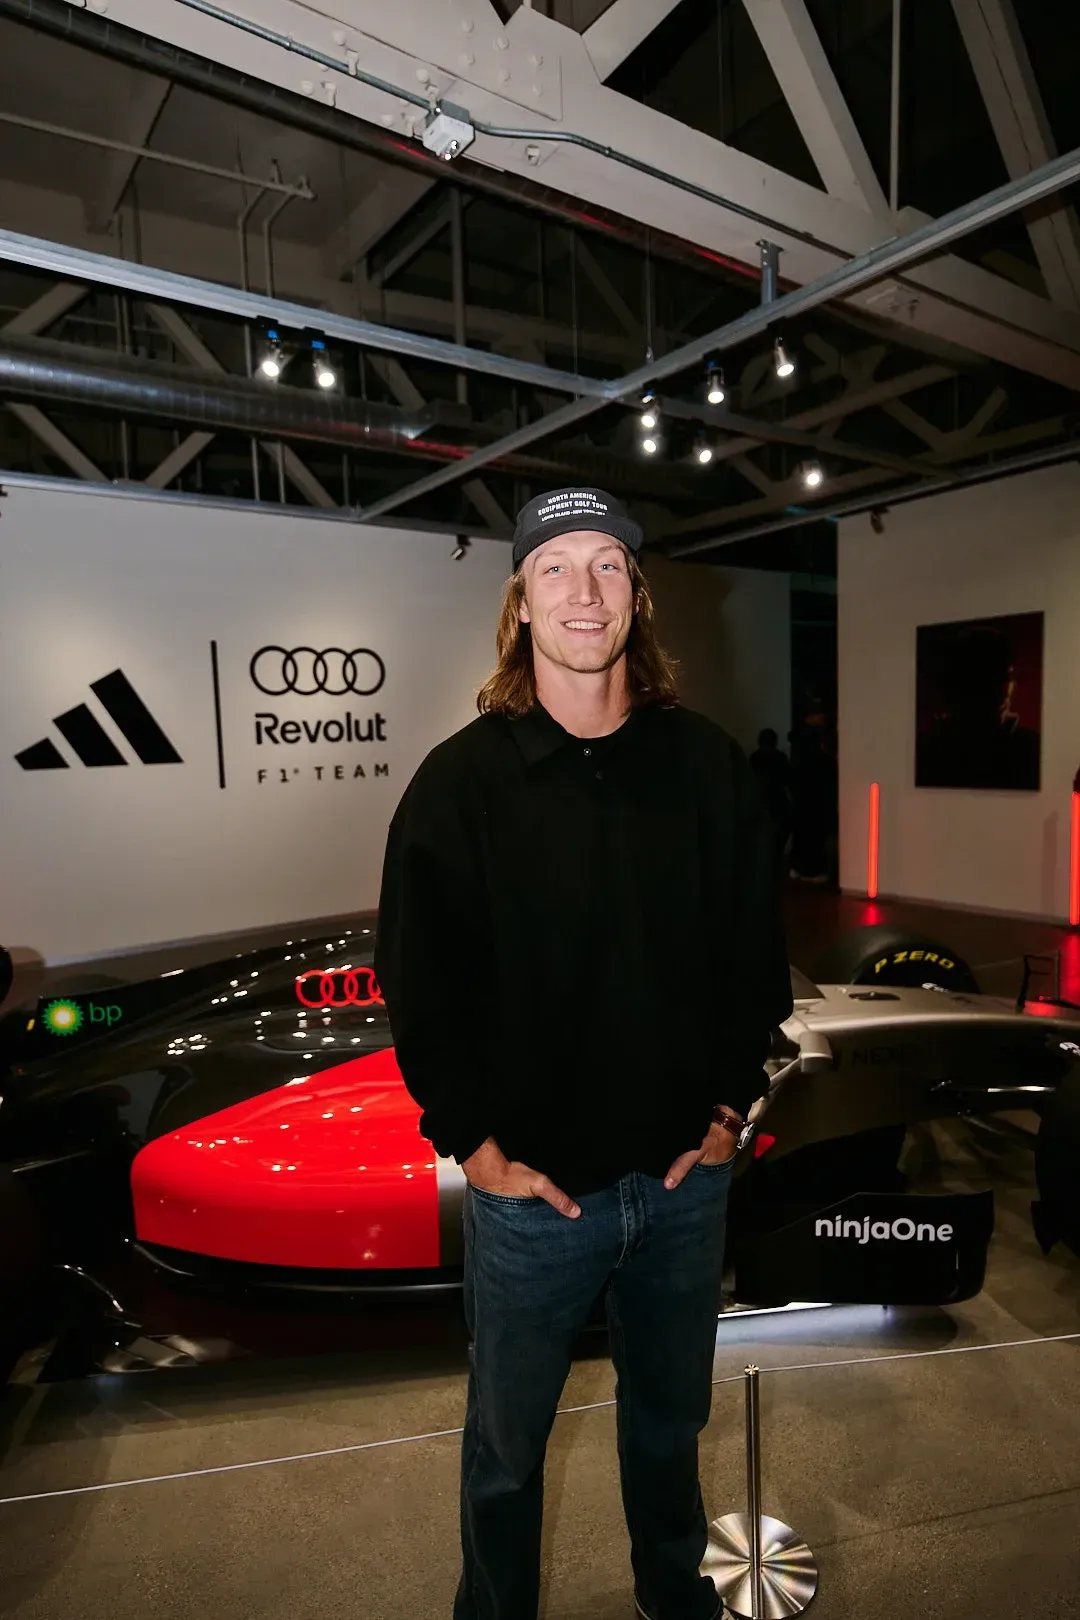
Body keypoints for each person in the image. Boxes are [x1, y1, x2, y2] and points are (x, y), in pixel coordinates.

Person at [376, 486, 792, 1620]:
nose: (584, 591)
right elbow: (420, 982)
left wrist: (726, 1112)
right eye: (555, 567)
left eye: (607, 564)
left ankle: (673, 1599)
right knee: (506, 1450)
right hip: (532, 1201)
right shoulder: (460, 783)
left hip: (682, 1185)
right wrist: (477, 1146)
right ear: (520, 603)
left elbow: (753, 958)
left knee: (670, 1427)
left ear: (637, 597)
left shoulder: (706, 766)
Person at [748, 727, 791, 870]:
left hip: (761, 802)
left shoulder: (754, 758)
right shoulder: (780, 758)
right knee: (779, 838)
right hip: (777, 802)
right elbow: (786, 780)